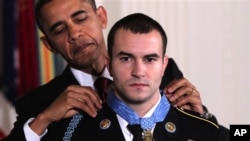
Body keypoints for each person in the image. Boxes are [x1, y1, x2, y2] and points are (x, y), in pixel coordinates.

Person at [2, 0, 227, 140]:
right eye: (60, 29)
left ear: (101, 17)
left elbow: (207, 131)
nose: (75, 34)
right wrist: (45, 118)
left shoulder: (165, 74)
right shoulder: (39, 102)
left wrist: (203, 115)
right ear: (49, 45)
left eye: (81, 18)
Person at [88, 12, 227, 140]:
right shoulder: (74, 130)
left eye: (149, 59)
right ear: (109, 64)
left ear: (164, 65)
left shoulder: (205, 129)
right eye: (126, 59)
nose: (138, 72)